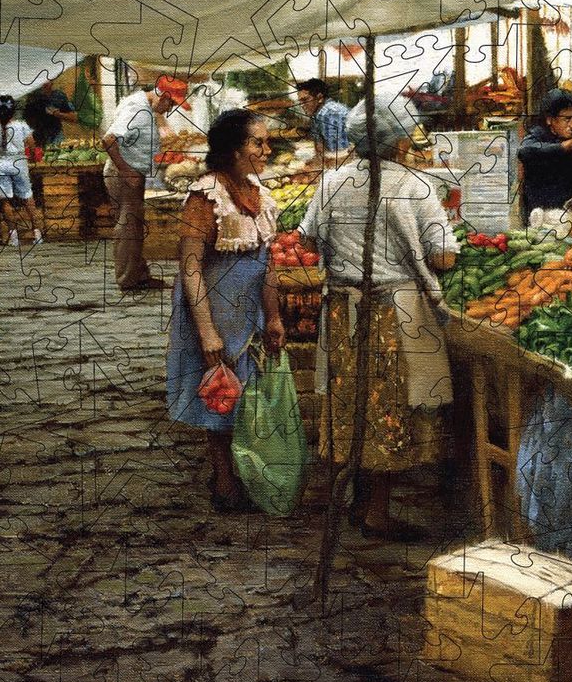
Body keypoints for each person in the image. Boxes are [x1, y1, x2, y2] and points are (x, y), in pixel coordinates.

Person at [298, 103, 460, 541]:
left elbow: (308, 238)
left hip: (342, 307)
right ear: (402, 140)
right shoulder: (416, 185)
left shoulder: (332, 180)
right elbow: (444, 256)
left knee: (352, 400)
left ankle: (355, 496)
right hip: (395, 309)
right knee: (388, 407)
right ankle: (375, 512)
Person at [166, 110, 285, 512]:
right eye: (259, 143)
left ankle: (245, 471)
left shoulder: (260, 195)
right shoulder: (205, 196)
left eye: (267, 143)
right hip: (216, 311)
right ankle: (224, 479)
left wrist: (274, 316)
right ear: (235, 151)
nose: (266, 150)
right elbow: (191, 266)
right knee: (220, 393)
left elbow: (268, 262)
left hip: (250, 311)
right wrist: (207, 332)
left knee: (249, 393)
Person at [101, 76, 190, 290]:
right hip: (123, 173)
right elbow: (108, 140)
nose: (169, 110)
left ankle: (138, 274)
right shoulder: (137, 110)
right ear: (163, 96)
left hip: (132, 171)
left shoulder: (143, 103)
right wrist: (127, 171)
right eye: (170, 104)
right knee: (128, 227)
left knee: (133, 225)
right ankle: (127, 280)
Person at [517, 89, 572, 218]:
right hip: (541, 215)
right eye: (567, 119)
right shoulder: (538, 134)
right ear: (549, 120)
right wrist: (566, 146)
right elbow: (524, 151)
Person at [0, 95, 43, 247]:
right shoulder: (22, 126)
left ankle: (13, 235)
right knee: (27, 196)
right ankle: (37, 233)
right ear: (13, 111)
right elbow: (31, 144)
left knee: (5, 200)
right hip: (19, 163)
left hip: (0, 164)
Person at [295, 78, 350, 168]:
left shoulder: (329, 113)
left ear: (320, 98)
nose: (301, 105)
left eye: (305, 100)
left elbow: (339, 156)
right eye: (300, 101)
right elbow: (320, 149)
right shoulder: (317, 113)